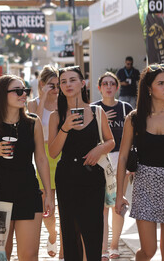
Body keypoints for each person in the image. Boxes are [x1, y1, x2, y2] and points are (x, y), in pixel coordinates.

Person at [0, 75, 54, 261]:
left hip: (28, 193)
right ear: (2, 95)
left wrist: (48, 194)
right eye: (18, 91)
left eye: (25, 90)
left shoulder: (33, 123)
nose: (23, 94)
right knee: (1, 255)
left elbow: (41, 159)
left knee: (29, 255)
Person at [48, 66, 115, 261]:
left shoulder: (97, 111)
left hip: (93, 176)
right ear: (60, 87)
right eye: (63, 81)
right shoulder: (56, 116)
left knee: (93, 229)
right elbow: (53, 153)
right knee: (70, 231)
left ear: (82, 83)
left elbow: (111, 141)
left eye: (72, 80)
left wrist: (99, 149)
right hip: (67, 175)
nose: (68, 84)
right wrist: (66, 127)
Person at [116, 63, 164, 261]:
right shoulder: (135, 118)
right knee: (148, 251)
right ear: (148, 87)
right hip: (144, 187)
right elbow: (122, 157)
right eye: (161, 83)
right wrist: (119, 195)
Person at [92, 72, 133, 260]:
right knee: (101, 207)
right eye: (105, 84)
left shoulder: (126, 108)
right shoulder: (93, 109)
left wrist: (132, 163)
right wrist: (102, 121)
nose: (108, 86)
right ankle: (102, 248)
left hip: (121, 160)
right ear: (99, 88)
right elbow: (89, 139)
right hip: (101, 161)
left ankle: (114, 245)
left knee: (118, 204)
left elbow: (134, 138)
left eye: (112, 83)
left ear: (117, 87)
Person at [28, 65, 63, 260]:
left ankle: (65, 250)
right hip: (44, 155)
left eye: (58, 85)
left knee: (66, 204)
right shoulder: (33, 103)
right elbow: (36, 123)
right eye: (51, 85)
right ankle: (52, 233)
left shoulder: (63, 101)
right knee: (47, 206)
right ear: (42, 84)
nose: (56, 89)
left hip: (63, 153)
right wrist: (43, 98)